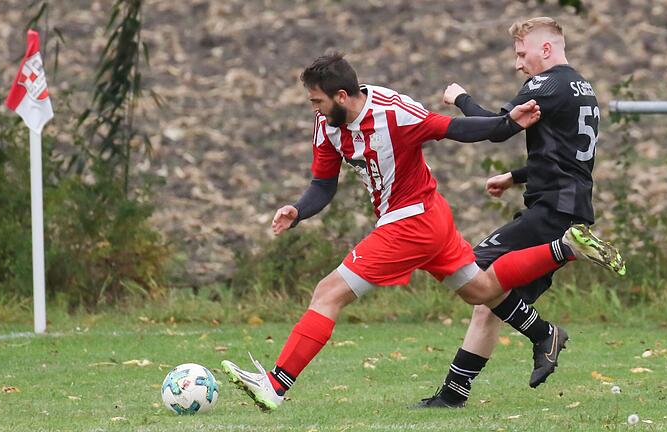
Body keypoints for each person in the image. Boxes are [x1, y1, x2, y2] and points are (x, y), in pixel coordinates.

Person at [221, 52, 622, 412]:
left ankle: (274, 385)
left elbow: (452, 129)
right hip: (430, 219)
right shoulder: (326, 125)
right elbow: (323, 185)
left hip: (410, 220)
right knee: (482, 291)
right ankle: (564, 248)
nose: (314, 109)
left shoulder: (394, 111)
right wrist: (298, 210)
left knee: (328, 292)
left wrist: (504, 122)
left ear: (341, 96)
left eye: (317, 101)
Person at [417, 17, 625, 409]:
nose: (518, 63)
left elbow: (497, 127)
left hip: (553, 211)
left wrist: (459, 98)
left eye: (521, 52)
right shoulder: (583, 87)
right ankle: (452, 396)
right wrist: (514, 176)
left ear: (546, 49)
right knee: (490, 299)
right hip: (567, 205)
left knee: (471, 271)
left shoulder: (546, 84)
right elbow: (566, 158)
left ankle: (546, 331)